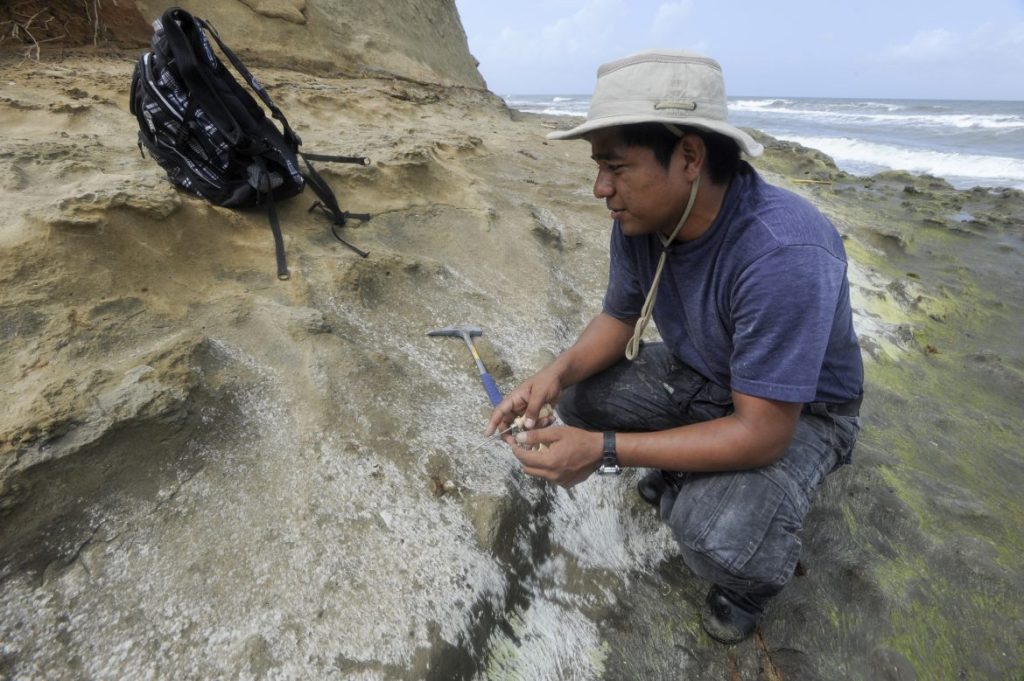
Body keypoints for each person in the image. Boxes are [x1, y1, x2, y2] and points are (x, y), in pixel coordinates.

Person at [484, 49, 863, 645]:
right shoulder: (641, 220)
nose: (599, 188)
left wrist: (604, 452)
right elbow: (619, 315)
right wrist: (550, 376)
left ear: (689, 156)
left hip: (803, 414)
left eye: (616, 166)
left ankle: (750, 583)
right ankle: (682, 461)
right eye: (597, 166)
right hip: (705, 373)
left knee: (713, 534)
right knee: (581, 397)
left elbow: (764, 432)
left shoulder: (782, 253)